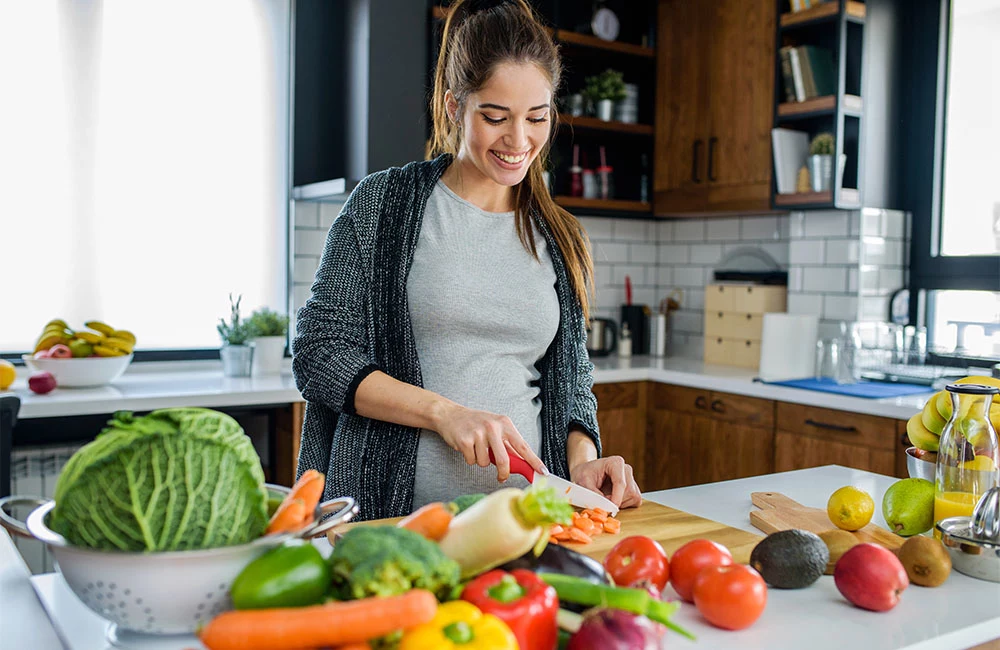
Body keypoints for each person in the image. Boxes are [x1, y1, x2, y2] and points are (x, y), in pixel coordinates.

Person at [292, 0, 642, 521]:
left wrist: (584, 461)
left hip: (521, 527)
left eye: (537, 118)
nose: (519, 141)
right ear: (455, 107)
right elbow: (319, 354)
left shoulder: (560, 234)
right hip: (391, 523)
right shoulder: (384, 206)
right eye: (495, 117)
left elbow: (569, 379)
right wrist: (444, 414)